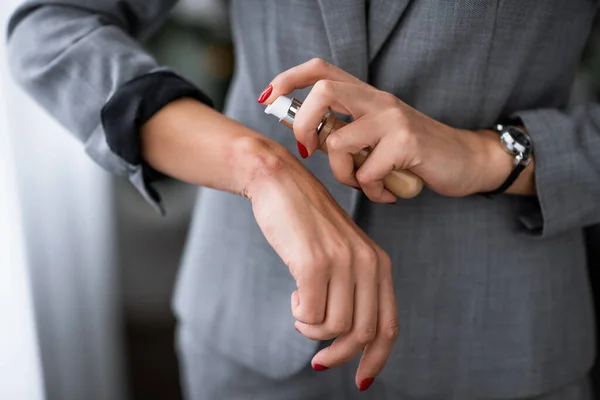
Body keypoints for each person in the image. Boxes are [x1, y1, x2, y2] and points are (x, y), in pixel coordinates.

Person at [6, 1, 600, 399]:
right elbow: (52, 22)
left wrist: (487, 155)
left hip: (497, 344)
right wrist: (257, 165)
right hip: (246, 335)